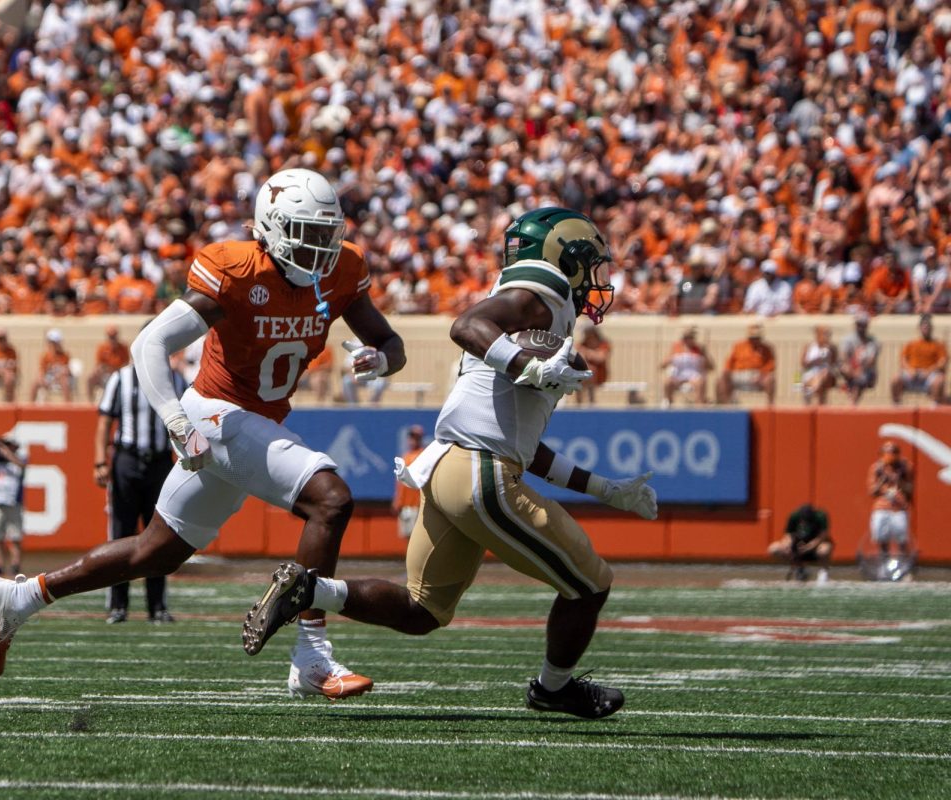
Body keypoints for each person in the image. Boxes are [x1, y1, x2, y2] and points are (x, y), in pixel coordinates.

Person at [0, 168, 406, 699]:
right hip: (215, 415)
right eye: (306, 233)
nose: (320, 247)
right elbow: (148, 345)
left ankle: (23, 598)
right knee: (331, 498)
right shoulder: (238, 270)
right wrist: (176, 420)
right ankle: (312, 659)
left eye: (327, 233)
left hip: (258, 420)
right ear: (270, 229)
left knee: (154, 553)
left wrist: (380, 359)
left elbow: (390, 340)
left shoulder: (342, 270)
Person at [242, 207, 657, 719]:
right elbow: (467, 324)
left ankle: (310, 588)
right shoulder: (538, 296)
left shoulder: (530, 317)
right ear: (562, 259)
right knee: (590, 583)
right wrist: (530, 364)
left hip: (448, 470)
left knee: (422, 612)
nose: (596, 280)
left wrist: (606, 489)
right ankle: (553, 688)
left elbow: (525, 448)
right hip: (478, 473)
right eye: (590, 264)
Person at [95, 361, 187, 624]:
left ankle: (157, 607)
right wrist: (99, 461)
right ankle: (118, 605)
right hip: (127, 460)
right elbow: (104, 421)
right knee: (121, 533)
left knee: (159, 534)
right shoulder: (121, 378)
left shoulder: (175, 380)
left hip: (160, 462)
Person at [868, 442, 913, 565]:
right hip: (882, 507)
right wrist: (883, 480)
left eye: (893, 453)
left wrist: (899, 481)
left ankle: (904, 566)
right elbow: (872, 491)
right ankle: (884, 565)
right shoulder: (877, 468)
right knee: (882, 538)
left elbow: (910, 489)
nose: (891, 456)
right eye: (888, 453)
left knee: (901, 538)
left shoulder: (905, 467)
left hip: (899, 507)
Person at [0, 437, 27, 578]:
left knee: (15, 537)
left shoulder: (19, 458)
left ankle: (15, 565)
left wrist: (8, 454)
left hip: (14, 503)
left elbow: (22, 466)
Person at [767, 504, 833, 583]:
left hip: (816, 546)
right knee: (774, 549)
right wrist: (788, 544)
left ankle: (823, 572)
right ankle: (800, 568)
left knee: (824, 550)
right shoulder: (794, 516)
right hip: (798, 545)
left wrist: (809, 546)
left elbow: (823, 536)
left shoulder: (821, 516)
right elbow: (788, 534)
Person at [891, 314, 946, 406]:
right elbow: (903, 359)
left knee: (939, 381)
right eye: (923, 327)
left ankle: (934, 408)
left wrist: (929, 371)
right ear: (919, 328)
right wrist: (909, 370)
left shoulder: (938, 345)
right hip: (912, 373)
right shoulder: (912, 344)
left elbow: (942, 362)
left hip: (929, 375)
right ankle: (896, 406)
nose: (925, 329)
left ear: (931, 328)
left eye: (927, 327)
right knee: (895, 379)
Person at [717, 323, 775, 405]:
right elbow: (729, 362)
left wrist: (762, 374)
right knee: (721, 379)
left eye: (757, 338)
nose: (754, 340)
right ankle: (726, 405)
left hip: (756, 375)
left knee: (770, 379)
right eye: (752, 338)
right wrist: (726, 372)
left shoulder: (766, 349)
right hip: (739, 374)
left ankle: (770, 406)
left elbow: (770, 365)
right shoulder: (739, 346)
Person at [662, 327, 713, 406]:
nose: (688, 340)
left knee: (700, 383)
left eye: (691, 338)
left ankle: (699, 405)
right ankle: (669, 404)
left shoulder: (699, 349)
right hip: (678, 376)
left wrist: (704, 356)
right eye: (686, 338)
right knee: (667, 382)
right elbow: (663, 365)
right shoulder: (676, 348)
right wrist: (669, 360)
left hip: (694, 376)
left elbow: (711, 367)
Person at [392, 425, 426, 539]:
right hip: (405, 504)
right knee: (407, 536)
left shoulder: (423, 455)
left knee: (417, 537)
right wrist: (398, 500)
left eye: (416, 438)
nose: (413, 441)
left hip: (418, 504)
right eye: (411, 437)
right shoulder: (406, 456)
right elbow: (400, 483)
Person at [840, 312, 879, 405]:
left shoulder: (872, 341)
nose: (861, 327)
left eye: (863, 324)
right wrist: (852, 369)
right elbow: (843, 355)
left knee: (860, 379)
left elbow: (871, 360)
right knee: (846, 370)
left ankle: (852, 404)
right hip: (850, 369)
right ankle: (852, 402)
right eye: (859, 324)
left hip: (866, 371)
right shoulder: (848, 339)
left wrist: (860, 370)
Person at [88, 325, 129, 401]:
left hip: (119, 374)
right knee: (91, 377)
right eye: (111, 337)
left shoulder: (123, 348)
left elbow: (126, 365)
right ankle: (90, 402)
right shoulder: (102, 347)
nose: (112, 339)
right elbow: (99, 366)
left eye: (114, 336)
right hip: (105, 375)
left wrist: (112, 368)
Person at [32, 329, 73, 402]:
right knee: (35, 383)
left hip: (60, 380)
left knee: (64, 381)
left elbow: (68, 371)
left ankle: (67, 407)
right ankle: (31, 406)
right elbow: (41, 371)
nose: (53, 345)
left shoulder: (65, 356)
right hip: (49, 380)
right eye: (51, 342)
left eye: (55, 343)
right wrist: (42, 379)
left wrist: (62, 374)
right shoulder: (45, 356)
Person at [573, 322, 610, 405]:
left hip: (599, 375)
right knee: (581, 373)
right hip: (583, 376)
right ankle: (579, 403)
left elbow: (600, 358)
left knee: (590, 371)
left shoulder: (603, 344)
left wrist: (587, 353)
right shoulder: (582, 344)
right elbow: (579, 358)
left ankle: (591, 402)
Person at [801, 326, 838, 406]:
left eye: (829, 334)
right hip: (811, 373)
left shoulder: (831, 348)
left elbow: (834, 363)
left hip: (826, 375)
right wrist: (814, 360)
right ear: (818, 334)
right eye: (825, 334)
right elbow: (803, 364)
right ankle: (814, 393)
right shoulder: (809, 346)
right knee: (818, 379)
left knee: (824, 373)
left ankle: (812, 391)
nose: (827, 336)